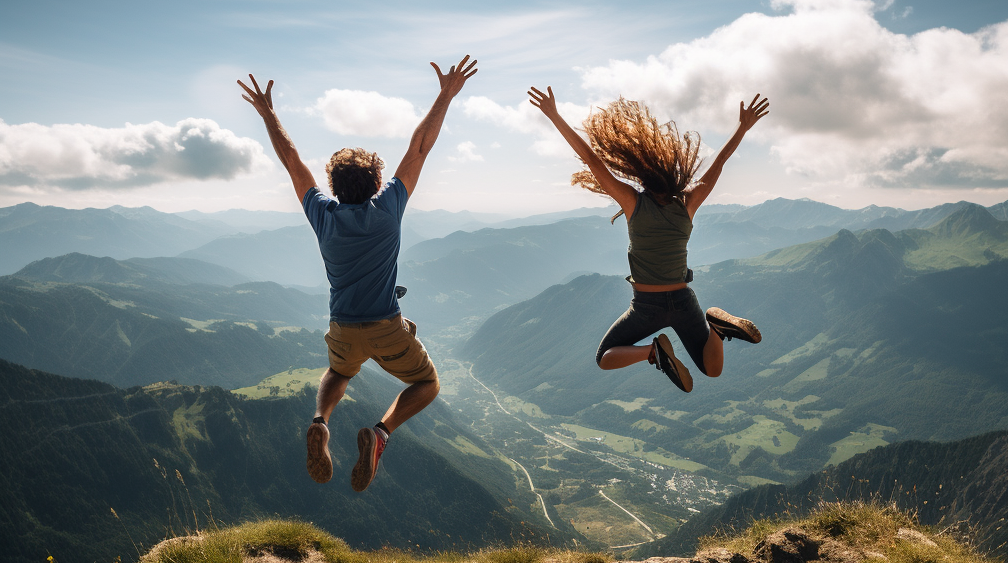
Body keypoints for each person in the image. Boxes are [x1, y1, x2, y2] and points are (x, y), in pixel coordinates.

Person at [239, 56, 477, 490]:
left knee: (339, 373)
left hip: (343, 328)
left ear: (333, 185)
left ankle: (320, 421)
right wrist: (446, 93)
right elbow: (419, 147)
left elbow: (291, 160)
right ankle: (380, 434)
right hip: (386, 326)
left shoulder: (323, 216)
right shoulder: (388, 210)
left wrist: (268, 113)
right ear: (376, 183)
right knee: (427, 382)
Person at [527, 87, 769, 392]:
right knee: (712, 369)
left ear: (641, 174)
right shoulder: (688, 203)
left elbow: (590, 159)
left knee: (604, 357)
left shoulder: (632, 202)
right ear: (675, 174)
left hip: (646, 306)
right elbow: (718, 163)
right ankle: (718, 332)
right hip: (683, 300)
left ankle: (651, 352)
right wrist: (742, 128)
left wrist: (554, 116)